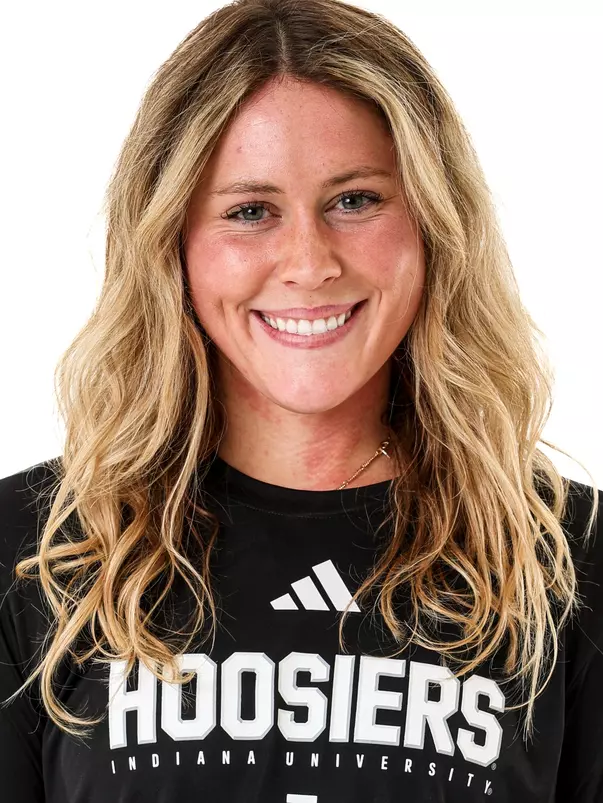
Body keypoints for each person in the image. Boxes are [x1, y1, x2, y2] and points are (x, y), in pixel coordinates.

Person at [0, 0, 601, 801]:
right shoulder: (33, 555)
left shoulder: (567, 562)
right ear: (171, 246)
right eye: (250, 212)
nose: (308, 262)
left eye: (354, 200)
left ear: (431, 222)